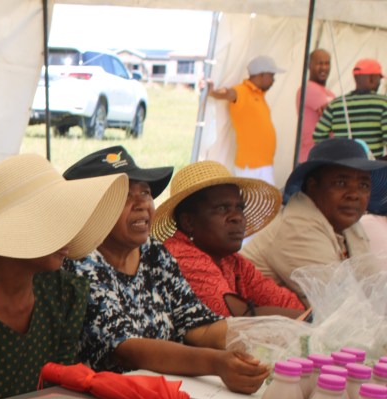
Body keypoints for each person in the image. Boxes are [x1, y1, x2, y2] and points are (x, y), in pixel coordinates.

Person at [62, 147, 270, 395]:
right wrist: (215, 363)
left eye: (145, 192)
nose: (142, 203)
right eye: (124, 196)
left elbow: (198, 326)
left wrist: (265, 336)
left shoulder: (154, 253)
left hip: (160, 393)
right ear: (92, 209)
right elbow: (125, 348)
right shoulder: (78, 261)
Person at [0, 155, 126, 399]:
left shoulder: (64, 293)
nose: (69, 232)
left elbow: (61, 389)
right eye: (54, 221)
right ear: (16, 229)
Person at [153, 161, 305, 318]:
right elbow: (236, 319)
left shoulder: (231, 261)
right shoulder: (179, 256)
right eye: (221, 208)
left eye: (240, 208)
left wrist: (306, 318)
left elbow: (286, 302)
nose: (237, 217)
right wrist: (307, 319)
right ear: (188, 222)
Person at [242, 138, 387, 298]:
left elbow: (375, 288)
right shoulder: (297, 227)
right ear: (312, 186)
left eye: (363, 186)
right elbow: (339, 303)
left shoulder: (349, 226)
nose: (354, 195)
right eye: (340, 183)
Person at [207, 55, 285, 183]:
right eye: (271, 75)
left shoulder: (259, 94)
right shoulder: (242, 91)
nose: (273, 80)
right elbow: (227, 93)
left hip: (262, 165)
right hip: (252, 167)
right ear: (261, 75)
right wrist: (213, 92)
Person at [313, 59, 387, 159]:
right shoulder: (383, 103)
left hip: (342, 164)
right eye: (379, 79)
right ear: (372, 78)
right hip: (371, 165)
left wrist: (336, 152)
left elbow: (318, 135)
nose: (379, 83)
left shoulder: (336, 104)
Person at [297, 49, 335, 162]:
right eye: (319, 63)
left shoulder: (329, 92)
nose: (324, 67)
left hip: (325, 155)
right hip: (312, 156)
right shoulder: (308, 88)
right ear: (309, 65)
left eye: (327, 63)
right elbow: (334, 117)